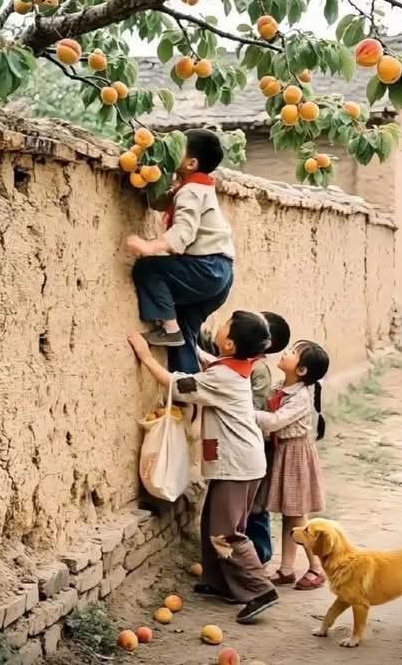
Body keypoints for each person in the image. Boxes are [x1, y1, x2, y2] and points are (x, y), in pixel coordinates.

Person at [128, 311, 279, 623]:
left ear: (230, 343)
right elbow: (210, 363)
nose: (219, 327)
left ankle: (260, 590)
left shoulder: (224, 377)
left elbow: (179, 384)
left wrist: (145, 356)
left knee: (226, 533)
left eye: (225, 326)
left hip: (237, 466)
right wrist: (191, 343)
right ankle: (220, 583)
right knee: (213, 523)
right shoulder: (232, 367)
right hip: (240, 463)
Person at [126, 129, 234, 374]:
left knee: (148, 269)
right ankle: (186, 387)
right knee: (186, 328)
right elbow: (161, 201)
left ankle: (169, 329)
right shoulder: (195, 187)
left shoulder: (190, 191)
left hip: (206, 268)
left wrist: (151, 246)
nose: (170, 148)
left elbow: (184, 229)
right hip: (221, 274)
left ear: (190, 163)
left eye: (177, 147)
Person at [199, 312, 291, 565]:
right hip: (241, 452)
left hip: (247, 449)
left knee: (253, 512)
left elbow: (254, 407)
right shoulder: (238, 362)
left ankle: (258, 556)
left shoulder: (256, 369)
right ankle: (229, 571)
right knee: (235, 516)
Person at [255, 340, 329, 590]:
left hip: (295, 455)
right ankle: (286, 569)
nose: (286, 352)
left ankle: (317, 568)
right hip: (284, 452)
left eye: (293, 352)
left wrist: (241, 411)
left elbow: (274, 422)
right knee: (291, 514)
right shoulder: (281, 387)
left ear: (302, 370)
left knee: (297, 517)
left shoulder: (301, 397)